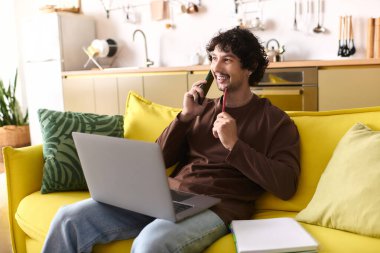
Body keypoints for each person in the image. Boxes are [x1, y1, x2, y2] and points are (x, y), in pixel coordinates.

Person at [42, 27, 300, 253]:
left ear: (250, 66)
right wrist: (185, 118)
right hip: (167, 196)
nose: (216, 68)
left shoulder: (275, 121)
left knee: (150, 243)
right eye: (213, 59)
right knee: (69, 218)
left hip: (219, 207)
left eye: (227, 60)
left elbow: (286, 185)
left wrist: (235, 145)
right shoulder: (200, 110)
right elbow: (157, 159)